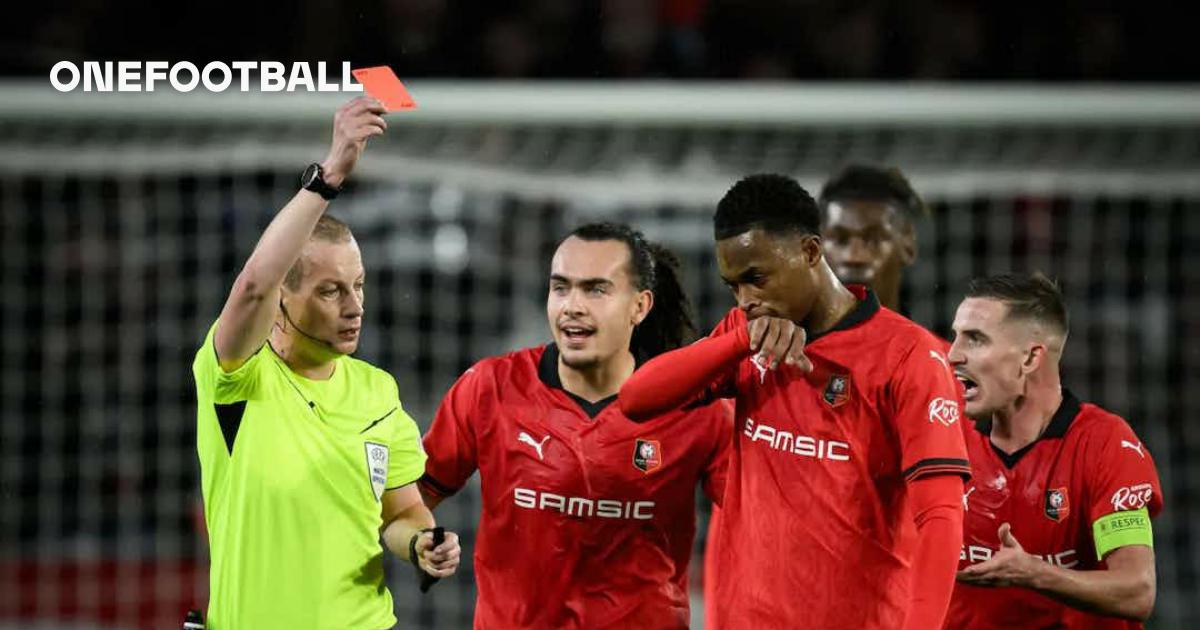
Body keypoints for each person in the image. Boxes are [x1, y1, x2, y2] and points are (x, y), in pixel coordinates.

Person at [620, 173, 969, 629]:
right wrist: (739, 341)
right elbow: (636, 398)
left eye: (757, 278)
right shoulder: (745, 340)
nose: (746, 299)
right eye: (734, 286)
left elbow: (940, 516)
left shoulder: (908, 358)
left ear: (809, 252)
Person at [191, 96, 460, 630]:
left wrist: (423, 546)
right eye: (331, 291)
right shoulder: (238, 378)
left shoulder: (377, 391)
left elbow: (401, 515)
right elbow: (252, 286)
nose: (355, 306)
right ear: (283, 300)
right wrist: (329, 176)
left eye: (358, 286)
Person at [418, 222, 733, 629]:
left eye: (596, 289)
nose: (572, 306)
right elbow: (413, 497)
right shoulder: (490, 388)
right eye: (561, 287)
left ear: (640, 305)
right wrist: (418, 541)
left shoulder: (696, 409)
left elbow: (763, 521)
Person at [702, 162, 935, 626]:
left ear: (907, 242)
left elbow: (950, 519)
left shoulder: (930, 367)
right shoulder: (746, 346)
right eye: (837, 237)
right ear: (813, 246)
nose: (849, 253)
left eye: (869, 237)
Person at [945, 272, 1162, 629]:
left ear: (1030, 358)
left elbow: (1137, 591)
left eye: (976, 340)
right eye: (956, 336)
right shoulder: (945, 435)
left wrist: (1034, 573)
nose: (953, 355)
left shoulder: (1106, 446)